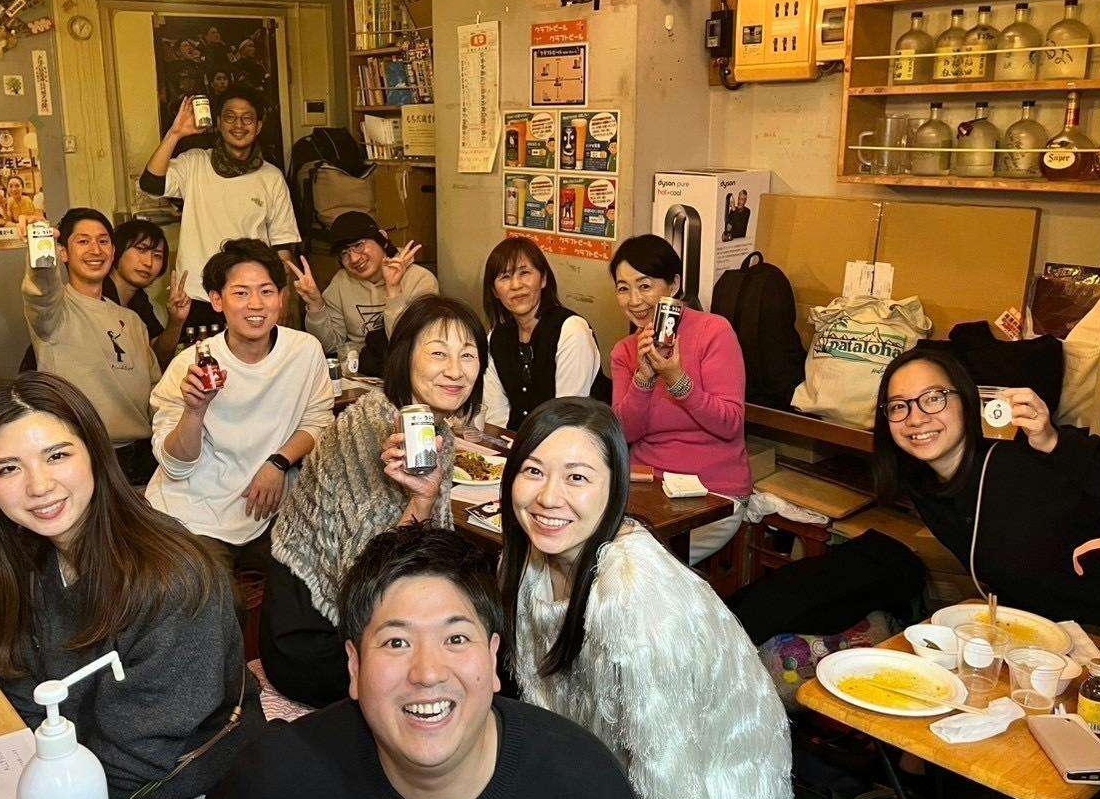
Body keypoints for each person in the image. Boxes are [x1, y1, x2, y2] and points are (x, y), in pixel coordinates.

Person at [167, 523, 666, 799]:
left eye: (456, 638)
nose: (427, 672)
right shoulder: (281, 775)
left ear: (493, 659)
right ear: (354, 667)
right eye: (396, 642)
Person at [502, 397, 798, 799]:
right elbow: (548, 697)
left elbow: (668, 752)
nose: (548, 497)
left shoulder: (633, 592)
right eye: (533, 471)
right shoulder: (531, 555)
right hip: (617, 765)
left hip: (712, 785)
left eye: (577, 477)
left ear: (615, 487)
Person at [0, 372, 262, 799]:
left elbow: (139, 753)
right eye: (9, 468)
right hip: (76, 774)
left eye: (57, 455)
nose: (38, 486)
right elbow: (18, 685)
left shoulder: (171, 581)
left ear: (95, 454)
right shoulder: (27, 554)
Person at [264, 295, 486, 707]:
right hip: (319, 638)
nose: (456, 370)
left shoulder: (433, 428)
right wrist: (421, 502)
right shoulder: (370, 429)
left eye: (468, 355)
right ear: (404, 358)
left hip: (367, 619)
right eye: (438, 353)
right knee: (470, 670)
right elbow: (366, 588)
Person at [872, 347, 1100, 631]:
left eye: (933, 398)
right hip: (1062, 638)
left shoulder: (1029, 458)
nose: (916, 418)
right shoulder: (924, 488)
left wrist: (1053, 442)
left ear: (967, 400)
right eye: (899, 406)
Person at [145, 238, 333, 585]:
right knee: (216, 601)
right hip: (194, 512)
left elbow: (318, 420)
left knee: (313, 585)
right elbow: (175, 465)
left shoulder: (304, 351)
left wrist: (278, 462)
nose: (256, 304)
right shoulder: (190, 365)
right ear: (217, 300)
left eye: (266, 291)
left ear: (281, 297)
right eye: (241, 293)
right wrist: (194, 412)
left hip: (267, 509)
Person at [610, 234, 751, 562]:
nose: (634, 300)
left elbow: (730, 424)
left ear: (673, 285)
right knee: (588, 552)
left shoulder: (714, 331)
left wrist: (676, 379)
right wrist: (644, 379)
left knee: (636, 566)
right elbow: (625, 433)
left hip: (712, 493)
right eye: (623, 288)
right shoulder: (624, 351)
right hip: (645, 487)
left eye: (645, 286)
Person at [140, 85, 300, 329]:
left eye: (247, 118)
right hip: (196, 294)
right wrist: (175, 133)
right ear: (218, 122)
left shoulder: (272, 177)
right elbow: (151, 184)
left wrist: (283, 294)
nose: (238, 125)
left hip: (251, 295)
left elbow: (282, 244)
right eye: (230, 117)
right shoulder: (195, 163)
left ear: (258, 126)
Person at [22, 209, 159, 485]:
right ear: (63, 253)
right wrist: (41, 238)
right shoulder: (54, 311)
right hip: (85, 457)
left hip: (141, 461)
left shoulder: (133, 321)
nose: (95, 250)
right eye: (83, 241)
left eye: (103, 241)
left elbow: (156, 393)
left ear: (113, 251)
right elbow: (42, 287)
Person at [286, 210, 437, 369]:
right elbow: (329, 346)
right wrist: (316, 305)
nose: (354, 258)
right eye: (344, 253)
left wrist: (393, 290)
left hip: (406, 370)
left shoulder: (420, 279)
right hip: (359, 372)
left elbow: (413, 346)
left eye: (358, 245)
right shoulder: (341, 282)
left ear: (382, 238)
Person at [479, 235, 603, 430]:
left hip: (573, 440)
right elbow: (496, 416)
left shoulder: (571, 331)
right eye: (505, 277)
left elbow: (568, 417)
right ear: (495, 291)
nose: (516, 285)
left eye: (524, 273)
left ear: (543, 279)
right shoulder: (496, 338)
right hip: (515, 444)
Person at [106, 218, 192, 368]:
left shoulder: (138, 298)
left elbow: (158, 355)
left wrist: (176, 321)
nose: (148, 262)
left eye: (157, 256)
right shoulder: (98, 292)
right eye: (141, 249)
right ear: (116, 250)